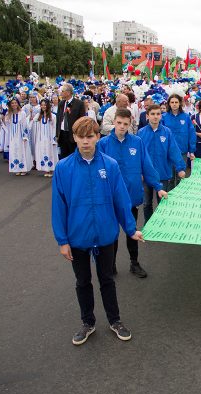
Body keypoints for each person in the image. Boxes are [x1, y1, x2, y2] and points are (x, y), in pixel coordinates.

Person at [52, 116, 140, 346]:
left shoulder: (109, 165)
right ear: (74, 138)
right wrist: (62, 240)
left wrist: (130, 229)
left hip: (105, 234)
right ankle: (87, 322)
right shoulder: (63, 168)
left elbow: (121, 199)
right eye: (81, 137)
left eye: (90, 137)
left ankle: (115, 320)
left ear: (97, 137)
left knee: (107, 279)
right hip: (77, 236)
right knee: (83, 281)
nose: (85, 142)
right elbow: (58, 207)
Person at [98, 108, 167, 278]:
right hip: (111, 199)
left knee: (132, 232)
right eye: (119, 123)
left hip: (131, 196)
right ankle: (110, 264)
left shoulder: (137, 142)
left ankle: (134, 263)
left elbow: (147, 165)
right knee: (112, 234)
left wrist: (158, 186)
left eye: (125, 124)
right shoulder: (103, 144)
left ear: (130, 124)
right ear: (114, 122)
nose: (122, 127)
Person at [137, 104, 186, 225]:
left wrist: (180, 168)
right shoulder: (141, 133)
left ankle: (161, 224)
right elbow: (138, 155)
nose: (155, 117)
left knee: (162, 201)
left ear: (161, 116)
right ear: (147, 116)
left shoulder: (167, 132)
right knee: (147, 202)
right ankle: (148, 224)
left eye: (158, 114)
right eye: (152, 114)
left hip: (163, 173)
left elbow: (173, 150)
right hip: (146, 175)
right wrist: (139, 172)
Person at [162, 94, 196, 185]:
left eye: (176, 102)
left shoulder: (185, 117)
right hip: (168, 152)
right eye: (172, 102)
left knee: (181, 176)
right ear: (168, 104)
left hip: (182, 151)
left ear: (180, 103)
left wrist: (191, 150)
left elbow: (191, 133)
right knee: (170, 177)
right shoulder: (164, 117)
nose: (174, 104)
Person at [56, 83, 86, 159]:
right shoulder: (61, 103)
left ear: (68, 92)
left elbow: (82, 120)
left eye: (62, 91)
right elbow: (58, 120)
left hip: (73, 135)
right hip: (62, 134)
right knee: (63, 156)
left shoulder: (79, 104)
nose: (61, 93)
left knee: (74, 156)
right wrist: (57, 134)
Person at [3, 98, 32, 176]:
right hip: (13, 136)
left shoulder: (22, 113)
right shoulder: (8, 114)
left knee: (22, 150)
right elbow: (6, 125)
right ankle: (17, 167)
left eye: (15, 103)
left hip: (21, 135)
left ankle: (24, 168)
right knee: (14, 150)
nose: (14, 104)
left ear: (18, 104)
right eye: (12, 103)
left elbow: (25, 125)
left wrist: (25, 136)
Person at [32, 98, 58, 177]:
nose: (43, 106)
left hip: (49, 138)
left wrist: (54, 139)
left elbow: (54, 128)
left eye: (45, 105)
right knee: (43, 152)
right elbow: (34, 120)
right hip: (41, 138)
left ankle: (50, 170)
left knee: (50, 152)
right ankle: (45, 169)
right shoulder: (39, 116)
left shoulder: (52, 116)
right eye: (42, 105)